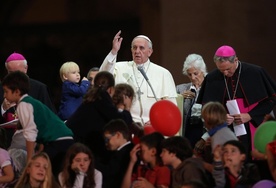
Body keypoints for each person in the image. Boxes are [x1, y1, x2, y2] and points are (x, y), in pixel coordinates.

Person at [197, 45, 276, 160]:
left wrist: (250, 115)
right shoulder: (212, 77)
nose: (224, 73)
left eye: (228, 69)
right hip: (228, 129)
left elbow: (272, 98)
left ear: (235, 60)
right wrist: (221, 117)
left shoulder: (255, 72)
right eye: (221, 70)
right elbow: (207, 106)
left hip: (253, 124)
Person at [1, 71, 75, 177]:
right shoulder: (33, 102)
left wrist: (29, 161)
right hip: (65, 140)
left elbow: (30, 134)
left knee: (44, 174)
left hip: (57, 143)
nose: (4, 95)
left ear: (16, 91)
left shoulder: (23, 105)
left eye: (6, 91)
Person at [100, 30, 177, 125]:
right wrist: (114, 51)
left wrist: (157, 121)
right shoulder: (119, 67)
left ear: (150, 52)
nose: (137, 51)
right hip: (125, 124)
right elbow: (103, 76)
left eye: (141, 48)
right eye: (134, 48)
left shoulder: (163, 73)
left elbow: (171, 106)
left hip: (153, 125)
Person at [66, 71, 133, 167]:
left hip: (75, 142)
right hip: (80, 146)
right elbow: (120, 122)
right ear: (111, 90)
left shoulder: (92, 97)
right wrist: (127, 108)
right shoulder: (102, 96)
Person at [0, 52, 57, 146]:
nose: (15, 77)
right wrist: (3, 109)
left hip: (36, 141)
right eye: (11, 73)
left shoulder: (39, 88)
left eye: (18, 73)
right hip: (7, 143)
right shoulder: (2, 89)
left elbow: (51, 116)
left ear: (26, 69)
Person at [176, 53, 208, 148]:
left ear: (203, 71)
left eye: (196, 73)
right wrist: (180, 98)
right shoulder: (180, 89)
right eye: (189, 74)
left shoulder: (210, 88)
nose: (193, 78)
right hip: (187, 133)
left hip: (205, 133)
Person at [97, 119, 134, 188]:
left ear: (118, 135)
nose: (106, 144)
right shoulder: (120, 151)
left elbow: (110, 172)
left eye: (107, 139)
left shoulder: (127, 153)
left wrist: (91, 162)